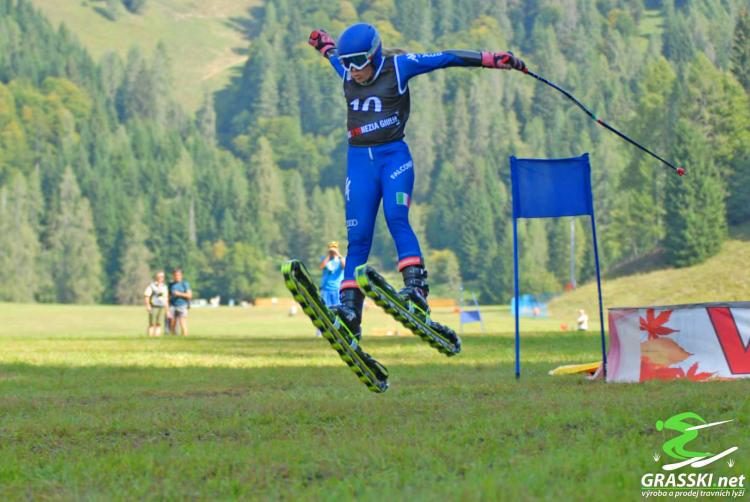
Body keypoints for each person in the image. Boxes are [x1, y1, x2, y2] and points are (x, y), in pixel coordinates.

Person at [308, 23, 525, 339]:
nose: (352, 70)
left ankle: (417, 291)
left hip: (393, 158)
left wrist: (490, 59)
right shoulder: (345, 71)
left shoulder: (399, 67)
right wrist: (324, 46)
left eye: (358, 62)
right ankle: (350, 311)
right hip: (359, 164)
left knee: (397, 219)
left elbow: (446, 58)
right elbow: (330, 54)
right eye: (346, 63)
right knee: (358, 238)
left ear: (374, 54)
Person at [319, 241, 345, 307]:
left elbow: (344, 266)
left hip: (337, 288)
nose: (333, 250)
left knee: (338, 308)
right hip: (325, 289)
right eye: (331, 248)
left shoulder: (341, 259)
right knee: (326, 308)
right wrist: (329, 255)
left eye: (334, 248)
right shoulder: (324, 258)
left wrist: (338, 254)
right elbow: (321, 267)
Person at [168, 268, 192, 336]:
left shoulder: (185, 284)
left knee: (182, 322)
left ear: (181, 275)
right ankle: (173, 337)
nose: (177, 277)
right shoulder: (171, 284)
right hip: (172, 305)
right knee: (172, 323)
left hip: (182, 305)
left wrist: (179, 294)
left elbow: (189, 295)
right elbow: (168, 295)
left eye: (178, 275)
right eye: (175, 275)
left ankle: (185, 336)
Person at [144, 271, 168, 337]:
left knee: (158, 323)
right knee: (152, 323)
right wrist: (148, 305)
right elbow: (147, 296)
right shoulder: (152, 286)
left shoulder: (164, 286)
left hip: (161, 306)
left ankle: (157, 336)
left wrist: (167, 309)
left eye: (162, 277)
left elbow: (166, 298)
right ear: (156, 277)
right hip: (153, 306)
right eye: (159, 276)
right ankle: (151, 336)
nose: (161, 278)